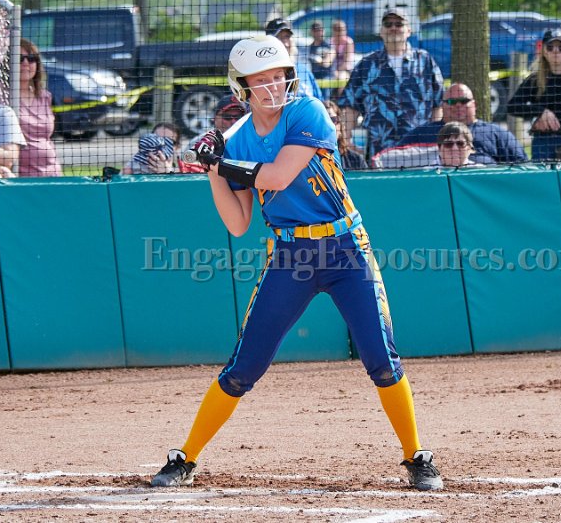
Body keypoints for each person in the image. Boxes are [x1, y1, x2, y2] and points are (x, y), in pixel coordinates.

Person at [149, 35, 443, 492]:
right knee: (243, 367)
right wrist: (211, 170)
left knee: (382, 359)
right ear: (241, 88)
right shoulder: (237, 140)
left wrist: (222, 163)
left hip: (346, 249)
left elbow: (279, 176)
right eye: (260, 80)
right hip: (290, 256)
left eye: (278, 76)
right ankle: (185, 457)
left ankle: (416, 455)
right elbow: (238, 223)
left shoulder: (307, 111)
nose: (272, 87)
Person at [338, 8, 444, 158]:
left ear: (409, 30)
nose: (393, 28)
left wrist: (434, 138)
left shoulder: (425, 61)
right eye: (388, 24)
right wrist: (348, 141)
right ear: (381, 31)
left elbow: (438, 105)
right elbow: (350, 107)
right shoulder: (366, 64)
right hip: (377, 152)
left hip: (419, 150)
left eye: (399, 24)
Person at [507, 29, 561, 161]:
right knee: (541, 174)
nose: (556, 51)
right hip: (543, 141)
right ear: (544, 51)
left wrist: (550, 121)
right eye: (550, 47)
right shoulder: (535, 79)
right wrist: (541, 113)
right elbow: (512, 106)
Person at [396, 82, 527, 165]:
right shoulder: (422, 134)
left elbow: (522, 165)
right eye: (452, 102)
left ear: (474, 104)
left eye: (464, 101)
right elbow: (394, 158)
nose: (458, 105)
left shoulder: (496, 133)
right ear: (443, 105)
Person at [18, 38, 62, 177]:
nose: (26, 63)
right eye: (19, 59)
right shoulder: (3, 97)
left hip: (52, 173)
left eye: (31, 58)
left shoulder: (45, 96)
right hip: (21, 176)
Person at [182, 95, 248, 173]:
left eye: (239, 117)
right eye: (227, 117)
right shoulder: (200, 141)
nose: (234, 121)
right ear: (215, 118)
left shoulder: (251, 141)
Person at [265, 18, 323, 100]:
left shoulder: (304, 70)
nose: (285, 43)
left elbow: (319, 101)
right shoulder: (262, 75)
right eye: (278, 38)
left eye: (287, 36)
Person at [323, 99, 368, 170]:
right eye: (323, 121)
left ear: (340, 126)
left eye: (333, 119)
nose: (329, 125)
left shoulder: (357, 160)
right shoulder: (309, 161)